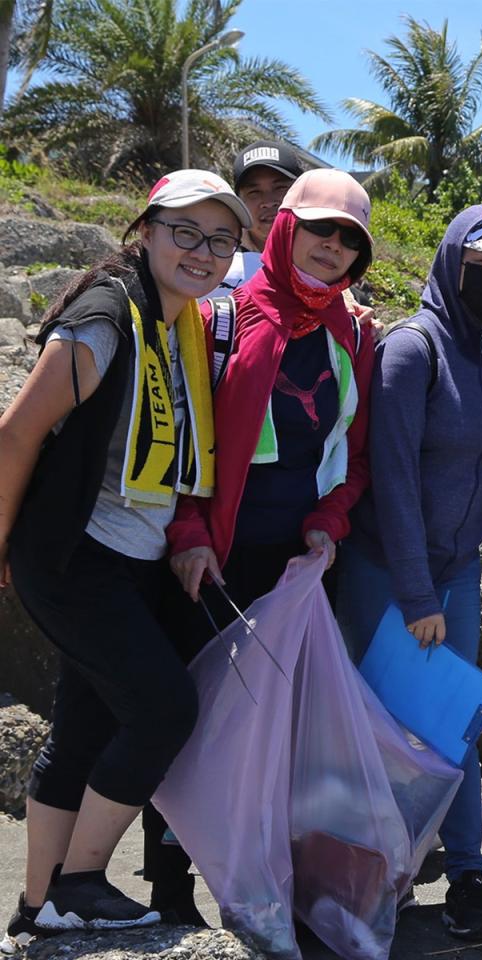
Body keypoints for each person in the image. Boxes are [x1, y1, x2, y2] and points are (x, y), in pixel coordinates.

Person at [0, 171, 248, 947]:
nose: (202, 253)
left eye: (221, 239)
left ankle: (35, 908)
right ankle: (79, 881)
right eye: (185, 231)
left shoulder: (178, 322)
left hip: (125, 559)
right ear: (145, 230)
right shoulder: (108, 317)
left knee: (81, 726)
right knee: (165, 707)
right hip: (73, 557)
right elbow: (16, 434)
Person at [149, 167, 378, 923]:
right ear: (284, 228)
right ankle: (172, 887)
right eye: (321, 229)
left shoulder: (353, 333)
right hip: (214, 558)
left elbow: (357, 451)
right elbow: (184, 437)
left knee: (279, 732)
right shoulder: (223, 317)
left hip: (297, 566)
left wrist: (331, 520)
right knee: (196, 722)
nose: (334, 248)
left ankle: (259, 888)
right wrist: (187, 532)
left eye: (350, 238)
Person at [336, 205, 482, 943]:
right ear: (453, 263)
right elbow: (390, 478)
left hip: (455, 572)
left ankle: (467, 877)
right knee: (388, 733)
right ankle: (370, 882)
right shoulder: (412, 350)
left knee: (449, 732)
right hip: (383, 572)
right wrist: (416, 595)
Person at [206, 140, 312, 297]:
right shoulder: (210, 262)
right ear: (239, 202)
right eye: (254, 192)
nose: (268, 202)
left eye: (280, 188)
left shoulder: (328, 257)